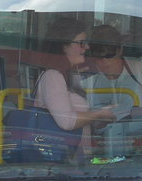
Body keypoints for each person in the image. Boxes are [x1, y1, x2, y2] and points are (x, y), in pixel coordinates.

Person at [32, 18, 116, 153]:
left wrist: (99, 118)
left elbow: (76, 116)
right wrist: (99, 114)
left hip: (75, 156)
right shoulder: (53, 76)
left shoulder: (67, 75)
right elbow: (67, 122)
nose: (87, 47)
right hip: (61, 158)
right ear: (64, 46)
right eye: (81, 43)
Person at [83, 24, 142, 115]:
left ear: (120, 49)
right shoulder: (87, 80)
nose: (105, 61)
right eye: (98, 56)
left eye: (110, 54)